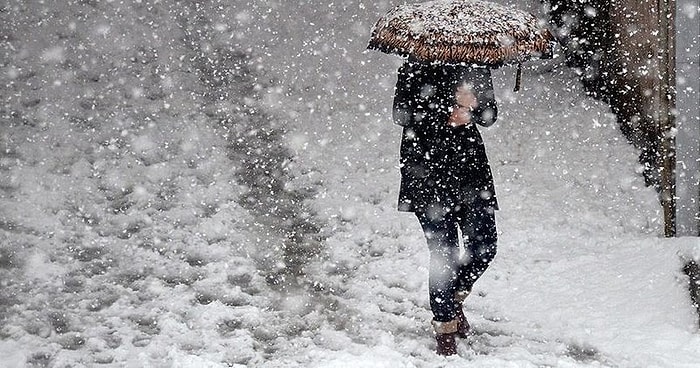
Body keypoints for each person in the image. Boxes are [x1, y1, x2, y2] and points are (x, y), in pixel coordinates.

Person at [392, 60, 499, 356]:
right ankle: (445, 329)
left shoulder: (476, 64)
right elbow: (401, 114)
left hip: (470, 171)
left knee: (485, 245)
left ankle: (451, 300)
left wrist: (474, 107)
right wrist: (447, 109)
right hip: (426, 171)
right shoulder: (415, 65)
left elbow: (490, 116)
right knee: (445, 254)